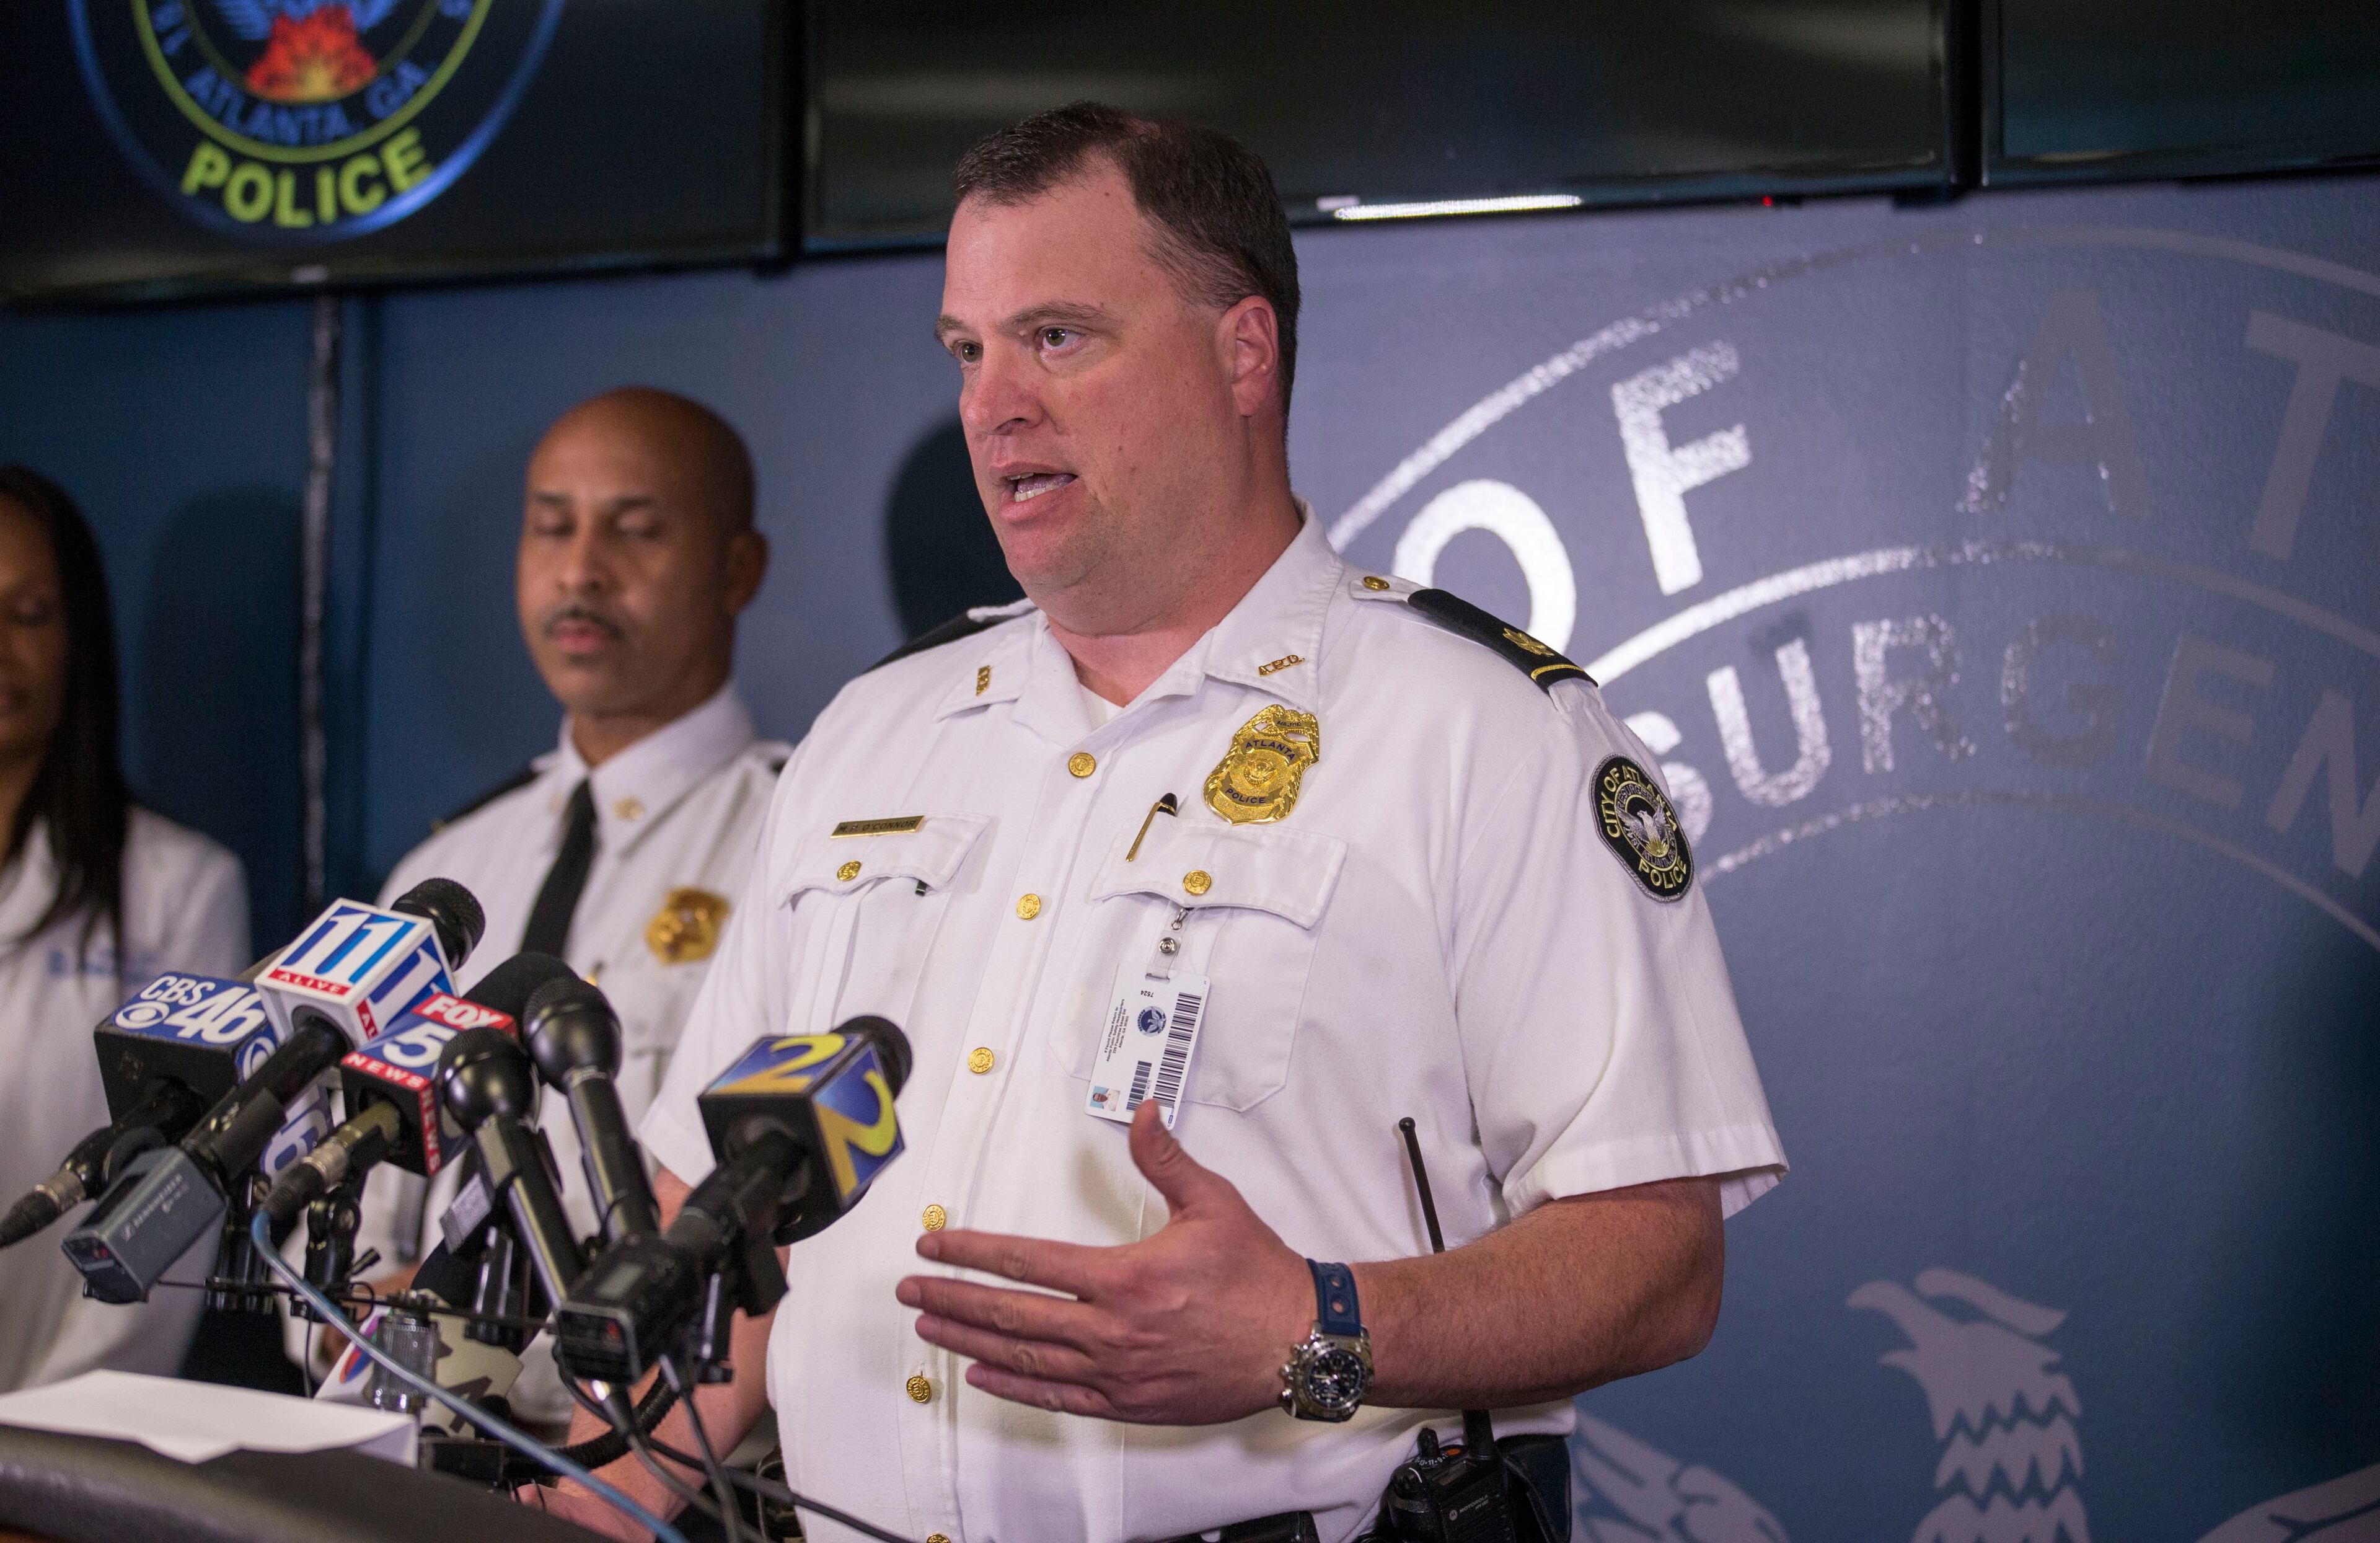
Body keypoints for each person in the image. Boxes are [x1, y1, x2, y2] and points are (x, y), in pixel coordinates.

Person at [545, 105, 1787, 1541]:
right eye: (968, 349)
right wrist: (579, 1499)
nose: (992, 403)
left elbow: (1657, 1259)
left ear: (1241, 353)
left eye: (1057, 338)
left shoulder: (1482, 732)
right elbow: (723, 1245)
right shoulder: (868, 736)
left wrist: (1316, 1327)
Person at [337, 387, 785, 1423]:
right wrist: (345, 1310)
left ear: (737, 569)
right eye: (552, 524)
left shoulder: (794, 844)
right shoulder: (448, 864)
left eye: (636, 529)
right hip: (388, 1450)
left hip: (651, 1461)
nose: (581, 569)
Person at [0, 465, 249, 1392]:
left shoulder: (177, 886)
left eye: (29, 612)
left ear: (80, 638)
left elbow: (173, 1201)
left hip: (58, 1453)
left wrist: (51, 1470)